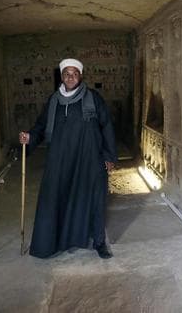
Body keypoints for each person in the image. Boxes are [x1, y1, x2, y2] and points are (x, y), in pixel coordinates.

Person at [19, 58, 117, 259]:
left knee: (94, 199)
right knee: (57, 198)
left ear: (80, 76)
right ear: (62, 77)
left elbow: (106, 126)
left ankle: (99, 243)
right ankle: (57, 242)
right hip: (61, 160)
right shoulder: (54, 100)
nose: (70, 77)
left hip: (89, 158)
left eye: (74, 74)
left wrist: (109, 155)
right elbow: (41, 125)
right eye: (66, 74)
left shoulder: (93, 98)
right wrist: (30, 137)